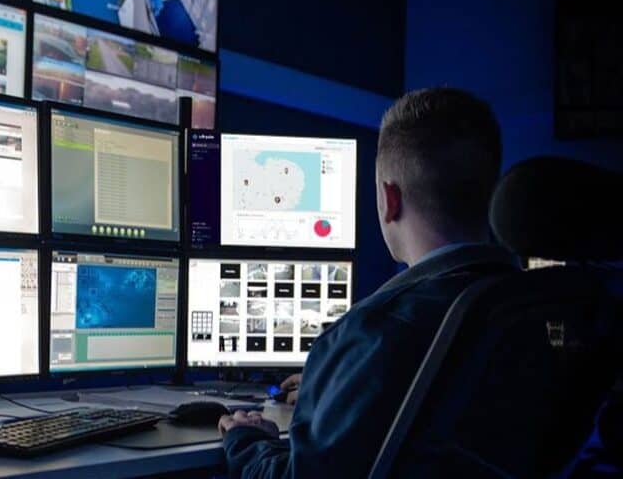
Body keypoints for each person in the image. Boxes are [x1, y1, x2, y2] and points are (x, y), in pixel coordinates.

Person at [218, 88, 520, 478]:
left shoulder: (373, 332)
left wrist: (246, 440)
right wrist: (337, 386)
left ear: (388, 199)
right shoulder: (539, 310)